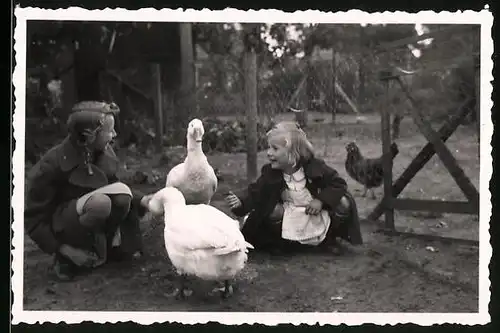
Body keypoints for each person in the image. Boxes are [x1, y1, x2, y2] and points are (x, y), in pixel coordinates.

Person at [24, 101, 153, 281]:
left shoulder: (103, 153)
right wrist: (63, 249)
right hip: (64, 225)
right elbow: (33, 218)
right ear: (88, 136)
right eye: (109, 131)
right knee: (100, 203)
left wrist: (143, 200)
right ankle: (67, 259)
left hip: (88, 215)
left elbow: (114, 185)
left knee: (122, 197)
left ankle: (105, 248)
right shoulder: (51, 164)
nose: (114, 135)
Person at [225, 121, 363, 254]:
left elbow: (338, 184)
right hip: (289, 217)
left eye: (275, 148)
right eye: (269, 147)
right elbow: (255, 191)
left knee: (343, 202)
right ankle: (282, 244)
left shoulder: (315, 167)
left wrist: (321, 200)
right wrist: (241, 201)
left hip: (314, 214)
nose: (269, 153)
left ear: (293, 153)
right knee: (273, 210)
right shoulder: (271, 173)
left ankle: (329, 240)